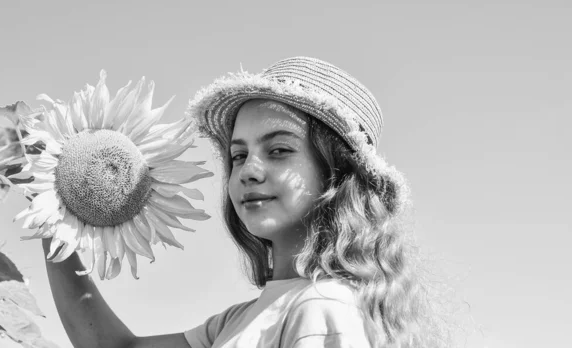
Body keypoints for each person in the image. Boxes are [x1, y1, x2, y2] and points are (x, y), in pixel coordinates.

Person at [43, 57, 450, 348]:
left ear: (336, 174)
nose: (247, 171)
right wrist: (54, 219)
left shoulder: (320, 310)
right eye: (238, 155)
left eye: (278, 151)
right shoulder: (241, 320)